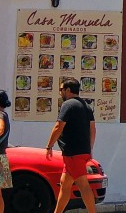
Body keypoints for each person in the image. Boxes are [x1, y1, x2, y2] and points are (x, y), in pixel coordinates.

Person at [44, 78, 97, 213]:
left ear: (68, 90)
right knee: (64, 184)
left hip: (73, 153)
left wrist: (49, 146)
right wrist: (90, 149)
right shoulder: (86, 106)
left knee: (83, 185)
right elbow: (92, 129)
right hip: (81, 151)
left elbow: (59, 126)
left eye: (61, 89)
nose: (60, 92)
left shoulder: (68, 105)